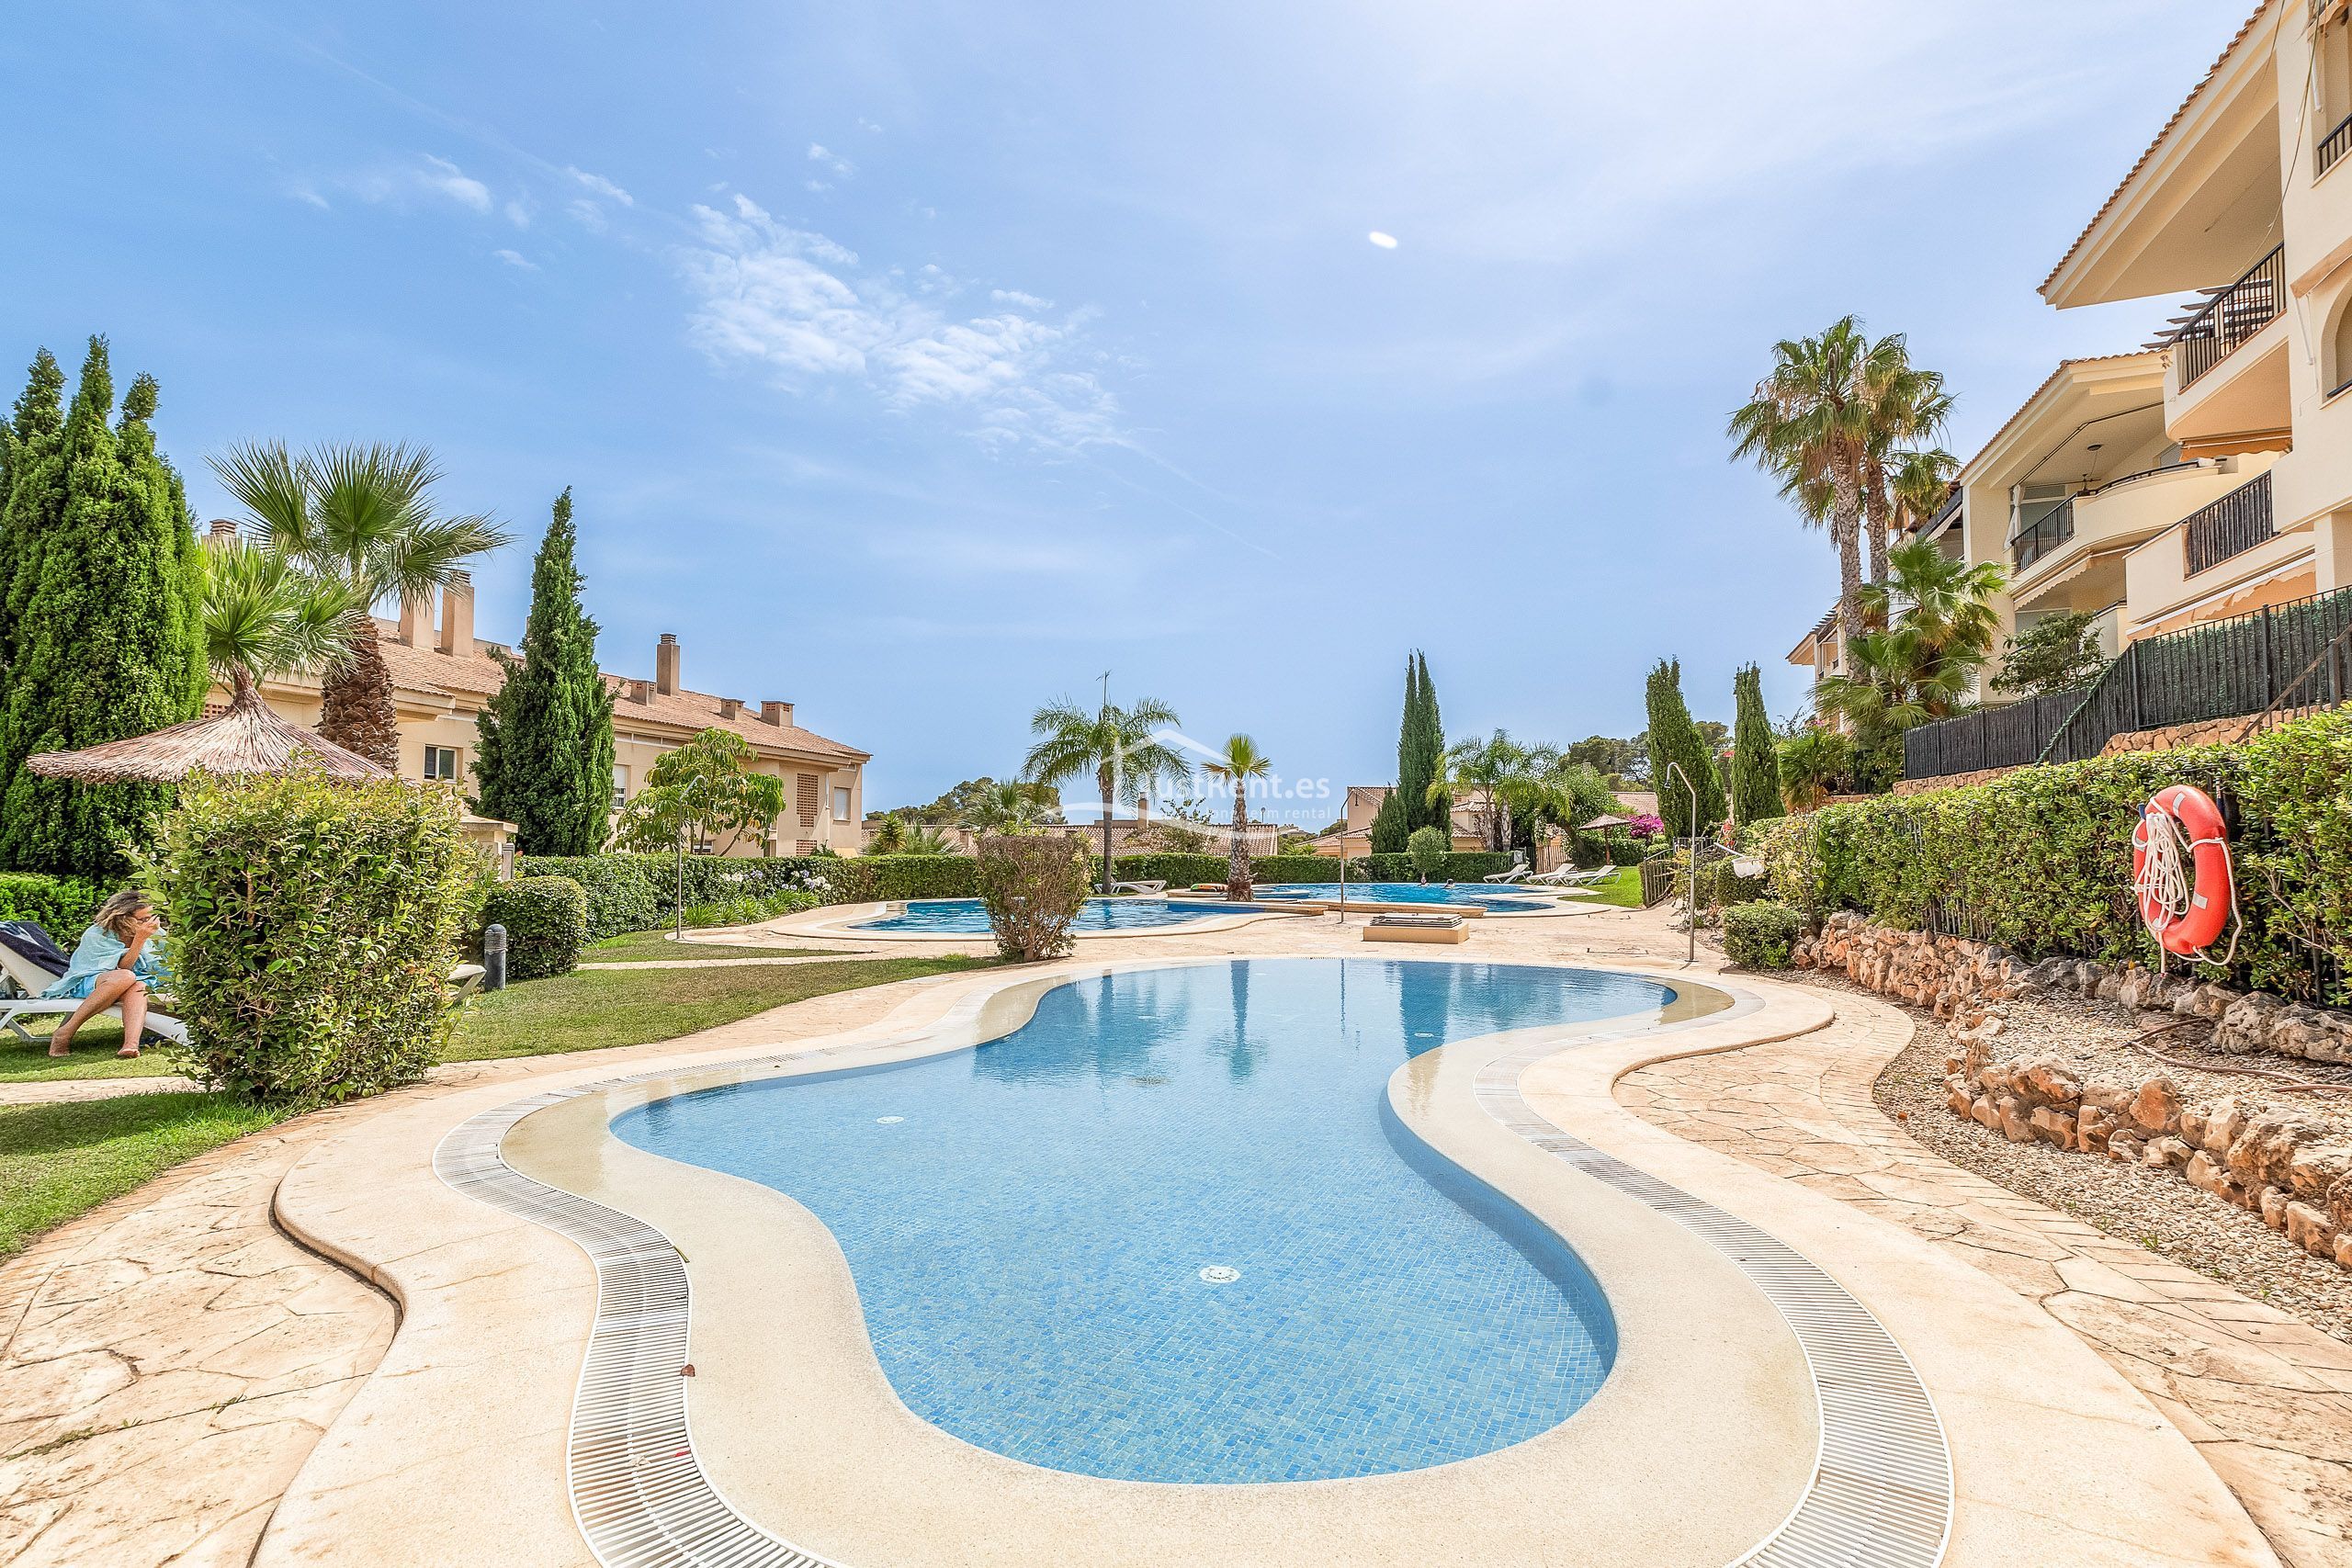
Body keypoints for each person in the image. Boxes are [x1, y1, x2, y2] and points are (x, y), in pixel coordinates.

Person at [43, 890, 169, 1058]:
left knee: (139, 986)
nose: (151, 923)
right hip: (92, 979)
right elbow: (123, 968)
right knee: (126, 977)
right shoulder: (97, 934)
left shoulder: (154, 932)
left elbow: (166, 961)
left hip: (134, 979)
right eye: (144, 919)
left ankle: (130, 1044)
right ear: (124, 918)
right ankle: (65, 1033)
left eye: (153, 917)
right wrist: (140, 939)